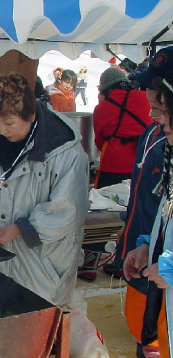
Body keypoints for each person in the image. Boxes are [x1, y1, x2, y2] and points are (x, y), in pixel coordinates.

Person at [0, 72, 89, 306]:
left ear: (31, 115)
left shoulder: (64, 150)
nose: (2, 130)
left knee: (41, 318)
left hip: (44, 262)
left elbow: (68, 210)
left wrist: (21, 228)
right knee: (7, 313)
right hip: (4, 255)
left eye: (9, 123)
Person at [105, 47, 173, 358]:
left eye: (160, 108)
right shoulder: (155, 135)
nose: (154, 117)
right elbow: (157, 204)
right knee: (146, 336)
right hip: (152, 263)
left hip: (166, 272)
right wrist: (141, 240)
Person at [124, 70, 173, 358]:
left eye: (164, 108)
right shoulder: (167, 150)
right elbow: (164, 216)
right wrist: (147, 244)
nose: (157, 116)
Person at [93, 67, 152, 188]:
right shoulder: (146, 98)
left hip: (113, 164)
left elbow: (99, 141)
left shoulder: (102, 108)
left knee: (108, 202)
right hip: (144, 162)